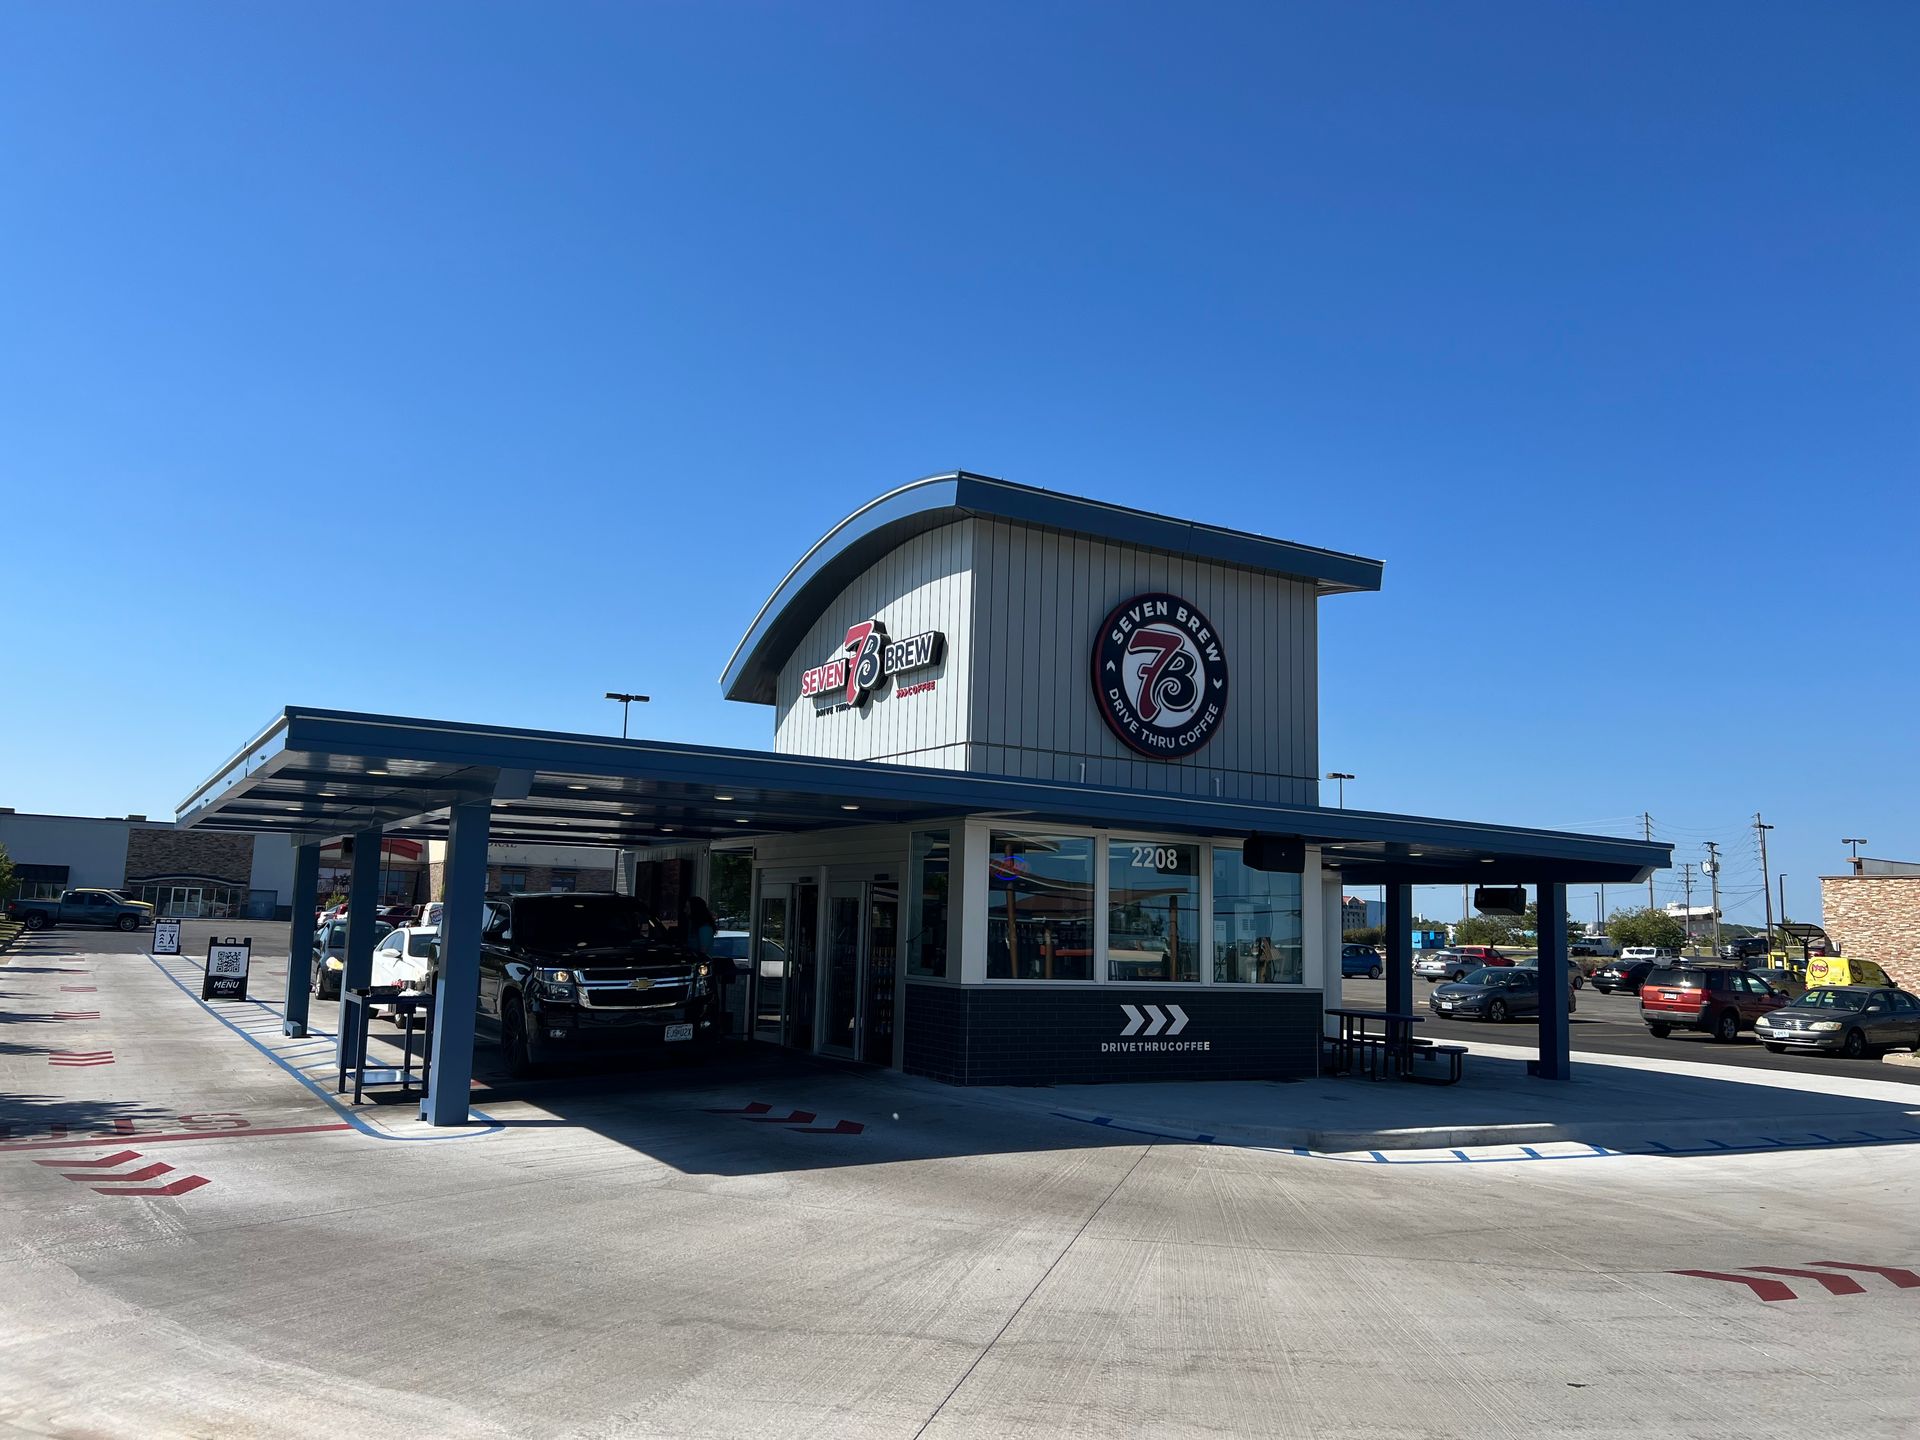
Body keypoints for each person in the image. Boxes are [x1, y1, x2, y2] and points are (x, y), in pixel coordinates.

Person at [685, 896, 729, 1035]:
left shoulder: (704, 927)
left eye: (687, 907)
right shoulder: (694, 926)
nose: (684, 910)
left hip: (700, 972)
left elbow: (703, 950)